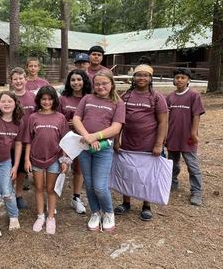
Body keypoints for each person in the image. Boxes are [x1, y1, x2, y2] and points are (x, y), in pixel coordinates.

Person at [113, 64, 168, 221]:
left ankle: (146, 205)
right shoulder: (126, 96)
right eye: (138, 75)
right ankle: (126, 203)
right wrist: (117, 140)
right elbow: (119, 120)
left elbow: (163, 122)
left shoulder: (157, 97)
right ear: (133, 78)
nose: (141, 78)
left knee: (147, 176)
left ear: (151, 78)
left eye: (145, 75)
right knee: (127, 173)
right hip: (128, 144)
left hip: (148, 145)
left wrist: (159, 144)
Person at [72, 71, 125, 232]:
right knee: (88, 184)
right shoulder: (87, 98)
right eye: (97, 84)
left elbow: (116, 127)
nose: (101, 86)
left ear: (111, 84)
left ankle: (108, 212)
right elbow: (76, 118)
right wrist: (87, 136)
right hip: (84, 147)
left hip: (103, 149)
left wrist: (95, 136)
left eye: (105, 83)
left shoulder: (118, 103)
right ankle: (95, 212)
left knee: (100, 186)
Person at [24, 86, 69, 234]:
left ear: (54, 100)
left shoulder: (60, 118)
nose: (46, 101)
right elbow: (28, 140)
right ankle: (40, 216)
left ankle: (50, 217)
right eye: (44, 99)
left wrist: (64, 160)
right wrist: (27, 160)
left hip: (54, 159)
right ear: (39, 100)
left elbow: (64, 142)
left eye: (50, 99)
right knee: (38, 188)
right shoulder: (33, 117)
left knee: (50, 189)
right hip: (36, 159)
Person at [0, 91, 24, 238]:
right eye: (3, 101)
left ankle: (14, 216)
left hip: (6, 162)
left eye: (10, 101)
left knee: (7, 191)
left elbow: (19, 144)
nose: (6, 104)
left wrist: (15, 166)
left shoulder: (18, 122)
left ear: (15, 104)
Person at [166, 68, 205, 206]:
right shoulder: (170, 97)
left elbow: (196, 115)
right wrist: (165, 135)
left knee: (192, 165)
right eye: (177, 77)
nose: (180, 80)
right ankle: (172, 183)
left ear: (188, 80)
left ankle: (196, 191)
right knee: (172, 163)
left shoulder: (194, 95)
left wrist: (194, 133)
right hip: (172, 136)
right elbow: (165, 118)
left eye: (183, 77)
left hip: (188, 137)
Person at [59, 69, 92, 214]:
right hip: (65, 138)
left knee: (79, 169)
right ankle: (53, 197)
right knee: (61, 166)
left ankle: (76, 197)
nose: (76, 82)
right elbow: (56, 116)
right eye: (73, 80)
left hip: (82, 139)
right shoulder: (63, 98)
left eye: (79, 79)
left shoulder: (90, 98)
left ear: (84, 81)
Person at [9, 67, 36, 209]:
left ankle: (18, 194)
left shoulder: (33, 96)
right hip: (12, 140)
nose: (18, 81)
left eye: (21, 78)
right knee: (11, 169)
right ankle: (9, 194)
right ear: (11, 81)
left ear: (25, 80)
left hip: (29, 139)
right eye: (15, 79)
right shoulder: (8, 97)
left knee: (20, 170)